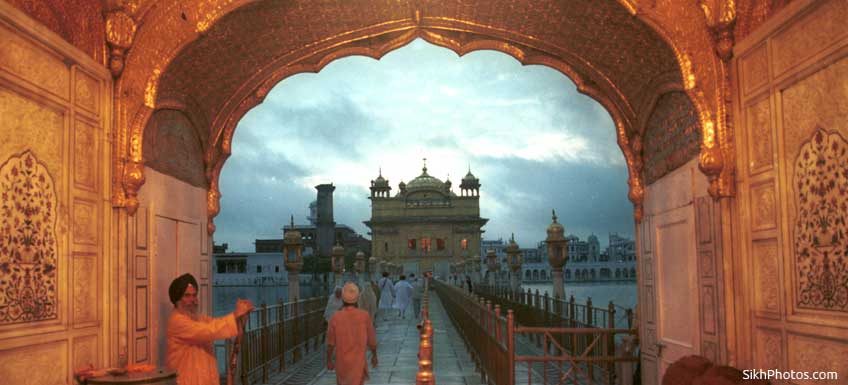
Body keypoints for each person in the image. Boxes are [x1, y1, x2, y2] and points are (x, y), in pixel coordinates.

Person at [166, 273, 254, 385]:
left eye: (194, 295)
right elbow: (209, 330)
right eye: (187, 296)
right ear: (177, 300)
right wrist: (236, 314)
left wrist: (239, 317)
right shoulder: (177, 321)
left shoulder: (197, 318)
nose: (193, 300)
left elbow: (215, 323)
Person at [327, 282, 378, 385]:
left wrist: (328, 359)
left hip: (342, 363)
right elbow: (372, 340)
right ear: (357, 298)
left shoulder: (336, 317)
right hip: (358, 363)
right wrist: (374, 355)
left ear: (342, 298)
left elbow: (330, 343)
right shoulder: (364, 316)